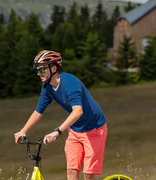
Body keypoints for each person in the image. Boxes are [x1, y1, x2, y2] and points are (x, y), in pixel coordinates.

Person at [14, 49, 108, 180]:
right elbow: (38, 111)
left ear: (53, 68)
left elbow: (78, 111)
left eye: (41, 70)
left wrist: (57, 131)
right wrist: (23, 130)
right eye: (36, 70)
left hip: (94, 129)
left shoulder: (70, 82)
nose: (38, 74)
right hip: (76, 131)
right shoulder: (47, 87)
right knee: (71, 171)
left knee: (88, 173)